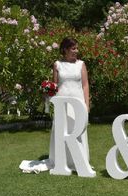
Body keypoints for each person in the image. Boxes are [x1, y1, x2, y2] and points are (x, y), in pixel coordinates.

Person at [19, 37, 92, 173]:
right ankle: (60, 161)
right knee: (62, 130)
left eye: (77, 48)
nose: (76, 51)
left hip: (77, 102)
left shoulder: (81, 64)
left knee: (76, 130)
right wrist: (48, 91)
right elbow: (55, 85)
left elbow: (85, 85)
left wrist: (86, 104)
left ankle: (78, 161)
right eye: (73, 48)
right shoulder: (57, 64)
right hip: (62, 103)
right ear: (65, 50)